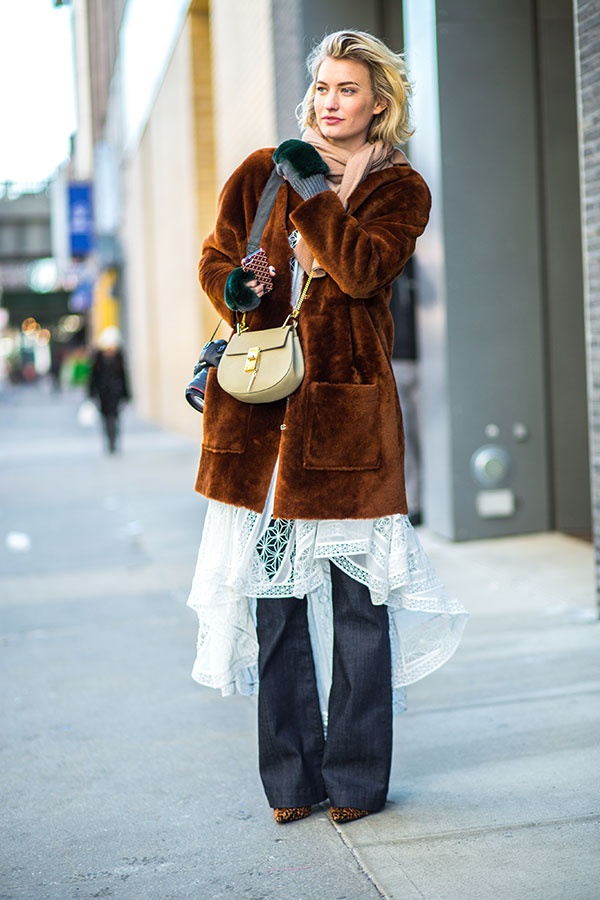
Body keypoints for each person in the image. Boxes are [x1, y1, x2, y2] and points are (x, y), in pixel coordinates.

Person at [187, 30, 467, 825]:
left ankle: (355, 784)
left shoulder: (398, 189)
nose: (330, 102)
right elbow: (214, 259)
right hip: (261, 421)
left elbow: (360, 271)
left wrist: (314, 189)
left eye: (348, 89)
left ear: (379, 103)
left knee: (358, 611)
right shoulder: (259, 171)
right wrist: (236, 287)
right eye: (322, 88)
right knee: (273, 607)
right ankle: (291, 783)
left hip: (347, 425)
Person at [88, 326, 130, 453]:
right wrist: (92, 393)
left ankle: (113, 441)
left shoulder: (119, 357)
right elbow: (93, 377)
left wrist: (126, 395)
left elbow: (123, 376)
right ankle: (109, 441)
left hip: (116, 393)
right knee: (106, 419)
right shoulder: (98, 358)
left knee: (115, 418)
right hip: (103, 394)